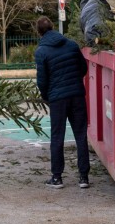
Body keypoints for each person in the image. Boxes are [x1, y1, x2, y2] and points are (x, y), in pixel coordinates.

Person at [34, 16, 90, 189]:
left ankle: (57, 177)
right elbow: (83, 68)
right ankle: (84, 177)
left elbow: (42, 81)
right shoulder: (72, 45)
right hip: (77, 94)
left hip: (57, 99)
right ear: (52, 27)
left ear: (39, 32)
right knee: (81, 134)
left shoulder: (41, 51)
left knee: (57, 136)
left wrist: (46, 96)